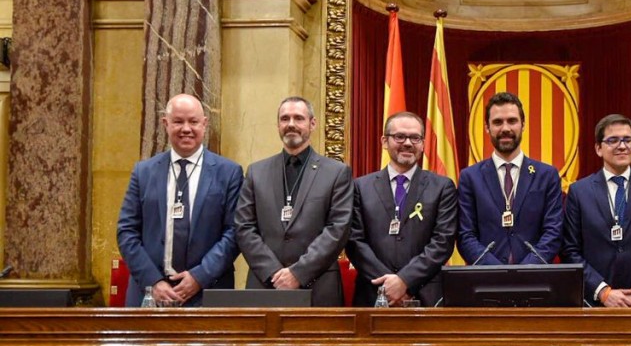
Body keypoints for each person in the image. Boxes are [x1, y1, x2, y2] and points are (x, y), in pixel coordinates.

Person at [116, 93, 243, 307]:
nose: (186, 128)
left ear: (204, 124)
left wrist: (199, 277)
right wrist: (153, 282)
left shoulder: (229, 173)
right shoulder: (143, 172)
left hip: (208, 293)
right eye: (178, 121)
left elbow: (235, 233)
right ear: (166, 124)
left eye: (193, 121)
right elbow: (126, 231)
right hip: (150, 296)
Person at [235, 96, 354, 306]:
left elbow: (338, 229)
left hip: (318, 287)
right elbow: (244, 227)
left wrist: (298, 273)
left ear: (312, 124)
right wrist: (274, 272)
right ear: (278, 125)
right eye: (285, 119)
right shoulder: (256, 172)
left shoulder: (337, 173)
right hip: (265, 285)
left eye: (298, 118)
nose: (291, 124)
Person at [562, 114, 631, 306]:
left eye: (627, 140)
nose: (622, 146)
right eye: (613, 140)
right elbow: (569, 249)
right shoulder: (579, 191)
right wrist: (602, 291)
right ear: (598, 148)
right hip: (594, 303)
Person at [346, 112, 457, 307]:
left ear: (423, 144)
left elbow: (443, 242)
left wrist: (405, 280)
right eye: (399, 137)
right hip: (372, 295)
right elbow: (354, 242)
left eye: (415, 138)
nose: (407, 143)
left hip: (424, 296)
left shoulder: (442, 187)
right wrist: (389, 285)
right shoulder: (360, 187)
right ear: (384, 141)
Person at [457, 91, 563, 265]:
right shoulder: (470, 177)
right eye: (497, 122)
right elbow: (465, 235)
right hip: (486, 282)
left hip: (535, 280)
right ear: (487, 127)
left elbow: (553, 232)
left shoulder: (547, 175)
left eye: (512, 121)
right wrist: (497, 272)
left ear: (523, 125)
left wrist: (525, 270)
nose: (505, 128)